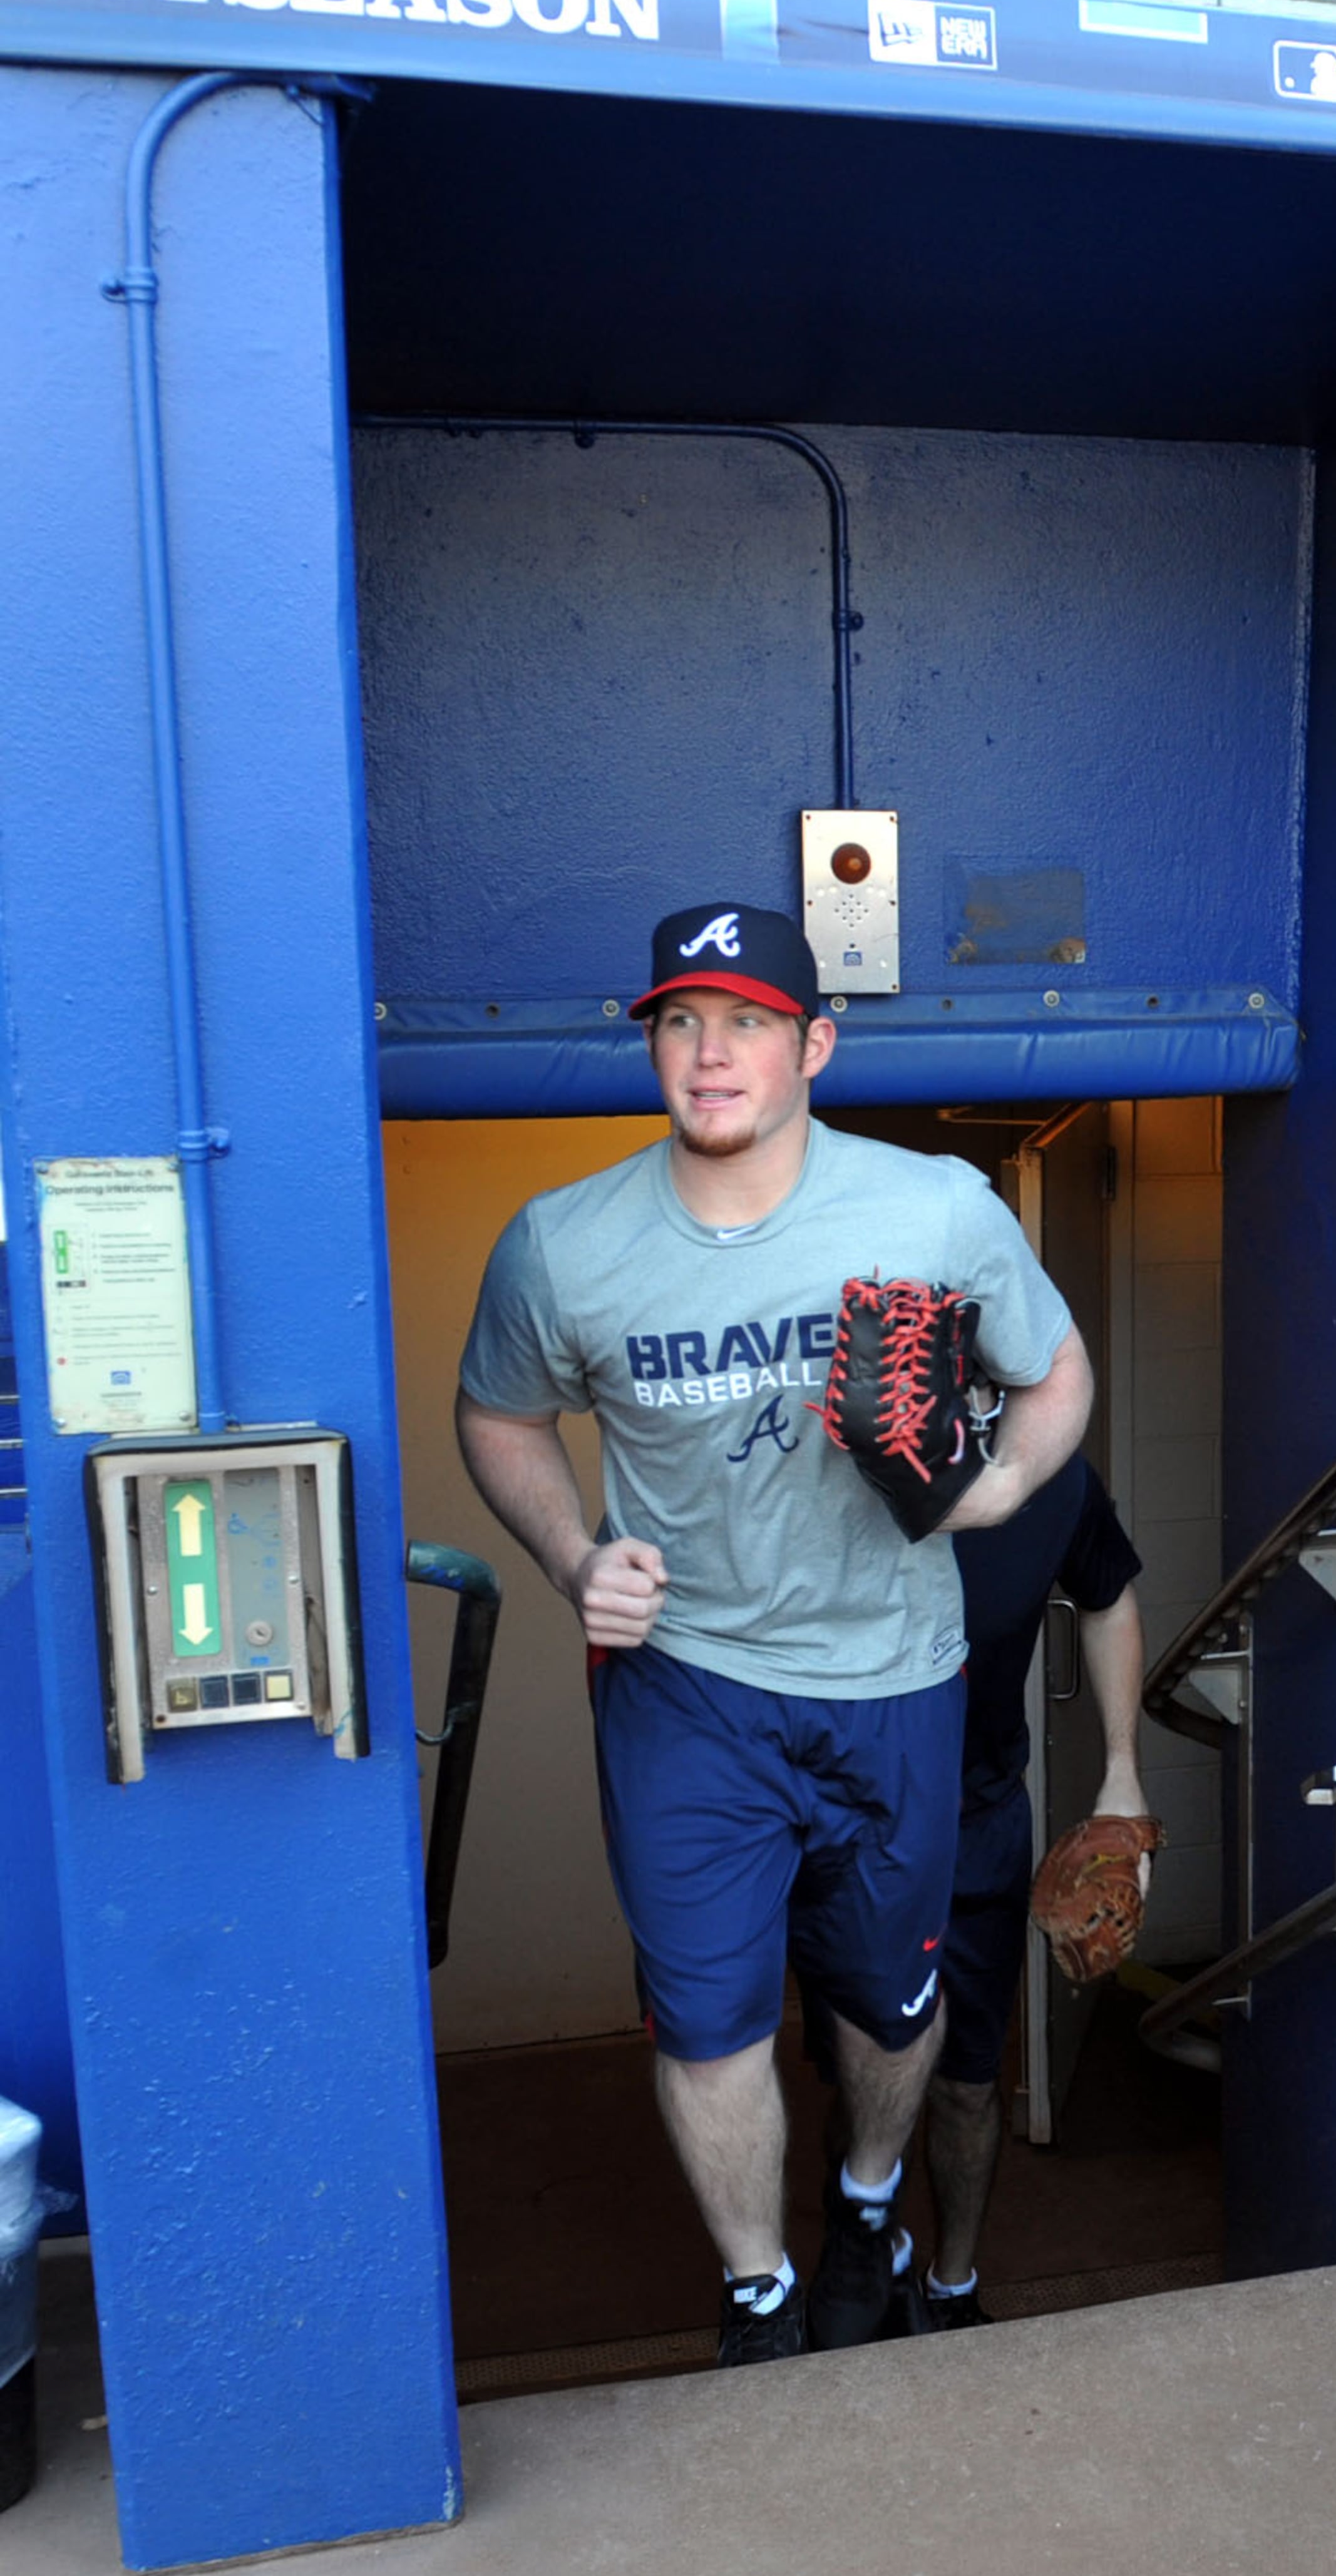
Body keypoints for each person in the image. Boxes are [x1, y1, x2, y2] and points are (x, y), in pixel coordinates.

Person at [453, 900, 1092, 2368]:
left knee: (891, 1998)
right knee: (708, 2017)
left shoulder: (931, 1209)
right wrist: (571, 1551)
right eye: (682, 1019)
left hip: (892, 1677)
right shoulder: (564, 1244)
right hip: (687, 1684)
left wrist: (1000, 1482)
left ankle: (867, 2202)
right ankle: (758, 2296)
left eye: (747, 1020)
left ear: (815, 1042)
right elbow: (499, 1412)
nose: (711, 1051)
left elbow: (1055, 1369)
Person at [804, 1452, 1147, 2328]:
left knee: (966, 2081)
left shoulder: (1051, 1478)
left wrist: (1121, 1772)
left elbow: (1107, 1596)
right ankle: (867, 2267)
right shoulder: (829, 1466)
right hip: (851, 1817)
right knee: (863, 2077)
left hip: (980, 1814)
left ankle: (953, 2287)